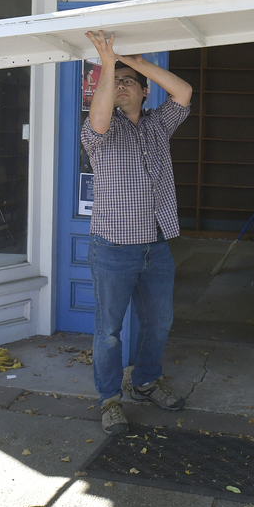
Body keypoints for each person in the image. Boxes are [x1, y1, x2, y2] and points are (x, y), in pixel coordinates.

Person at [81, 29, 194, 435]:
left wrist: (138, 62)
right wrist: (109, 65)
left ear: (146, 92)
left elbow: (183, 92)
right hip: (112, 247)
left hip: (156, 246)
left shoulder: (159, 125)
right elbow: (98, 114)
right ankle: (110, 399)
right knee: (109, 332)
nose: (123, 87)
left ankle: (146, 381)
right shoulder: (99, 131)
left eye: (131, 83)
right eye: (117, 82)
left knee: (159, 321)